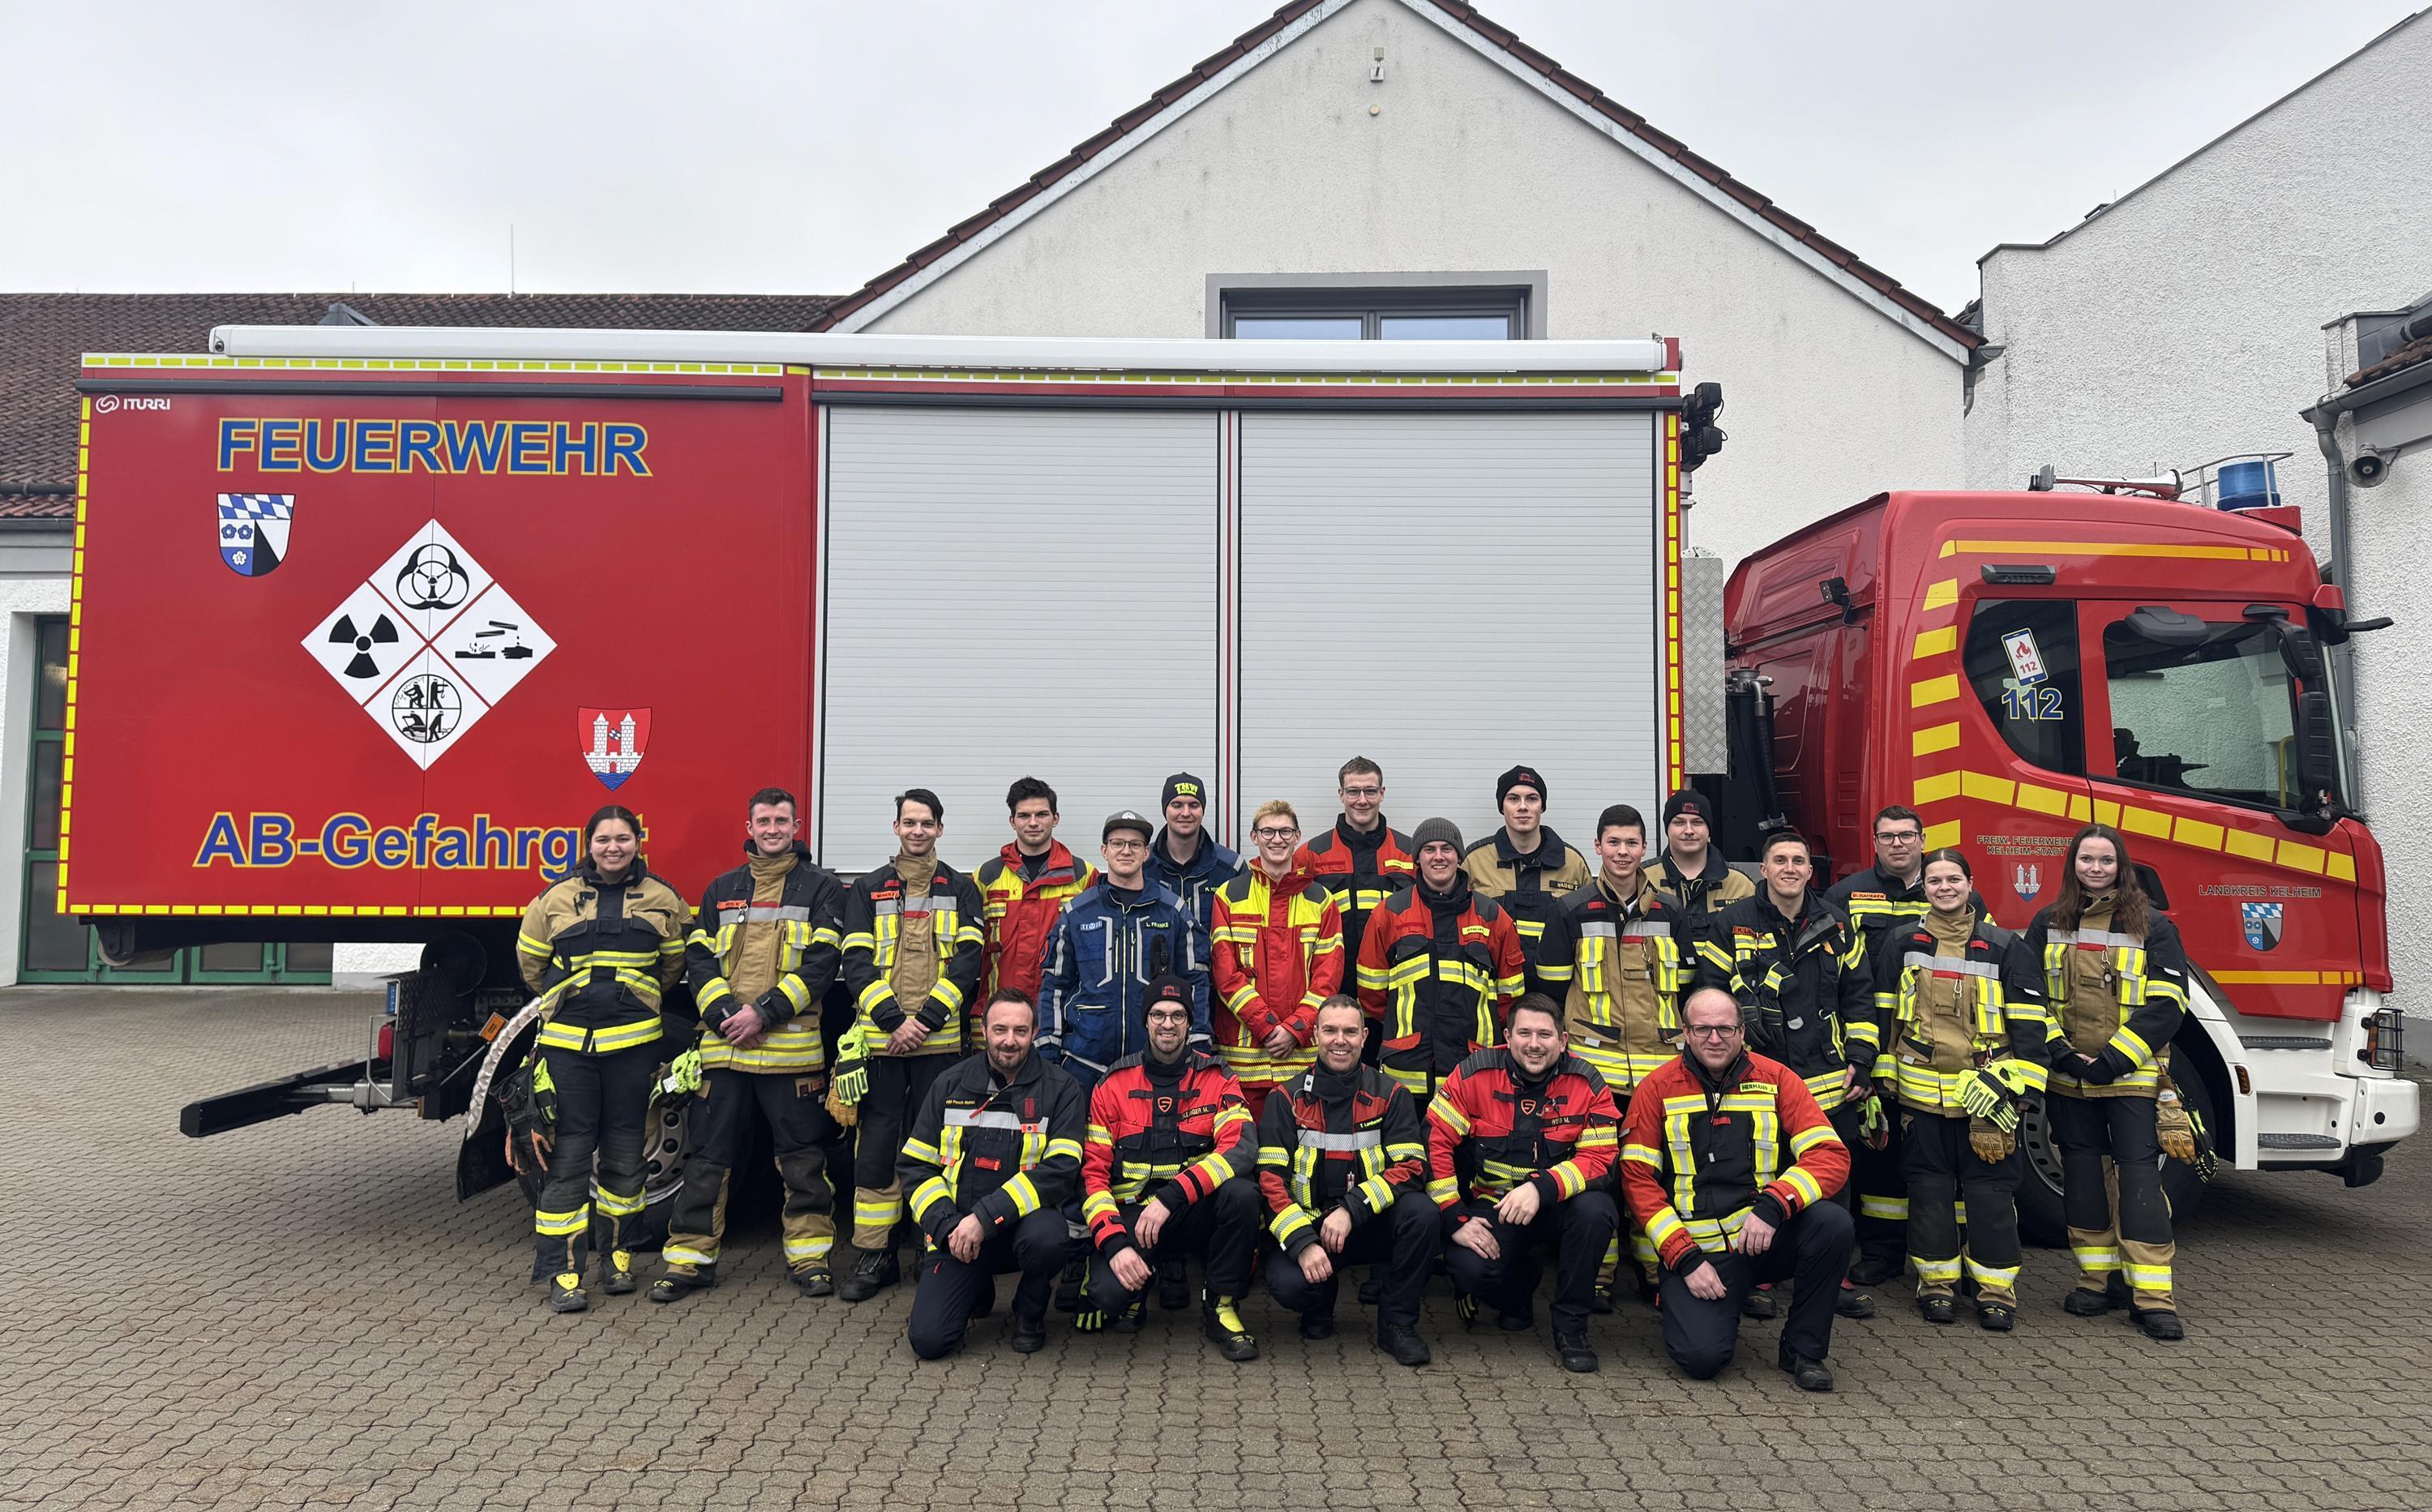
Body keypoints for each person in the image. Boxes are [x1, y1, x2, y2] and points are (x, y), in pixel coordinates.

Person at [657, 787, 846, 1303]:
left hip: (789, 1054)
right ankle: (689, 1261)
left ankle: (810, 1259)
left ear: (797, 825)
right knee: (708, 1159)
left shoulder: (822, 889)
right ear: (750, 825)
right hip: (727, 1050)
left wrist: (762, 1013)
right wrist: (725, 1017)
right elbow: (699, 962)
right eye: (763, 820)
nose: (772, 829)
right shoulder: (722, 889)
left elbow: (824, 965)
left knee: (803, 1159)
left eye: (781, 820)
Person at [1533, 803, 1723, 1301]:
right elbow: (1551, 997)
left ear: (1645, 849)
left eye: (1631, 843)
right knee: (1599, 1170)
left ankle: (1656, 1264)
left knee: (1658, 1167)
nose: (1622, 852)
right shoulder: (1569, 910)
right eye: (1613, 843)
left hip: (1661, 1070)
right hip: (1594, 1072)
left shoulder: (1671, 912)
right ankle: (1599, 1271)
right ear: (1597, 847)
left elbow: (1686, 991)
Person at [1622, 987, 1854, 1390]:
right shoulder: (1656, 1088)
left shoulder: (1778, 1079)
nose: (1715, 1039)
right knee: (1701, 1360)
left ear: (1742, 1032)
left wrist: (1774, 1205)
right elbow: (1637, 1180)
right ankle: (1682, 1301)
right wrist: (1684, 1259)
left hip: (1761, 1236)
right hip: (1700, 1254)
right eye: (1703, 1029)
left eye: (1726, 1029)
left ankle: (1804, 1350)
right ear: (1686, 1033)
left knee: (1832, 1224)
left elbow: (1830, 1155)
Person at [511, 804, 690, 1311]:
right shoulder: (554, 899)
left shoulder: (663, 898)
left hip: (634, 1049)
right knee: (568, 1161)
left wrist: (636, 1000)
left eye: (624, 839)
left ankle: (618, 1259)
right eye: (604, 839)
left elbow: (674, 964)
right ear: (588, 843)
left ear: (639, 841)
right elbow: (532, 964)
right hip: (570, 1050)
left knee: (627, 1159)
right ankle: (564, 1273)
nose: (614, 848)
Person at [2018, 824, 2192, 1341]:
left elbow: (2168, 1005)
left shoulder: (2154, 927)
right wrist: (2061, 1054)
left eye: (2106, 861)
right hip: (2070, 1078)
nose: (2096, 869)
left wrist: (2113, 1060)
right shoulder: (2047, 923)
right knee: (2084, 1179)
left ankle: (2153, 1297)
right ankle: (2097, 1280)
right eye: (2087, 860)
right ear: (2073, 865)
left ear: (2122, 866)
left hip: (2132, 1076)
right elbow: (2027, 999)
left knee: (2139, 1180)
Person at [1873, 847, 2051, 1330]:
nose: (1944, 887)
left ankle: (1996, 1290)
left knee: (1991, 1195)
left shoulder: (2006, 947)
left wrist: (2006, 1089)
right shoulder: (1901, 942)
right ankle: (1936, 1286)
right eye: (1934, 881)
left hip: (1987, 1102)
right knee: (1928, 1195)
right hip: (1920, 1099)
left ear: (1970, 884)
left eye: (1954, 879)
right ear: (1923, 888)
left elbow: (2033, 1035)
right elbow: (1884, 1018)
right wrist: (1882, 1085)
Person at [1720, 828, 1882, 1321]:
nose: (1789, 868)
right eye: (1780, 860)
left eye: (1799, 860)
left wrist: (1862, 1056)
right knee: (1755, 1171)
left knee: (1831, 1176)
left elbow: (1859, 994)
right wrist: (1742, 1024)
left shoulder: (1835, 923)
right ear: (1762, 870)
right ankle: (1757, 1275)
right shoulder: (1734, 921)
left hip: (1828, 1077)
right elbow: (1710, 988)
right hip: (1757, 1074)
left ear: (1811, 872)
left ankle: (1829, 1279)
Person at [836, 788, 987, 1304]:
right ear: (896, 827)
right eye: (909, 822)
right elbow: (855, 962)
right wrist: (892, 1021)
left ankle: (932, 1242)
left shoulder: (964, 889)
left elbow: (969, 963)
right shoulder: (867, 889)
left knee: (941, 1152)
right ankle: (875, 1254)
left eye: (927, 823)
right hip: (881, 1047)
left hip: (939, 1047)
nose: (918, 831)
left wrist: (921, 1022)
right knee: (875, 1148)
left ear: (940, 829)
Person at [1427, 994, 1621, 1373]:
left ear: (1563, 1041)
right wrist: (1454, 1217)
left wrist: (1541, 1188)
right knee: (1470, 1268)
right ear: (1508, 1035)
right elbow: (1434, 1140)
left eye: (1545, 1035)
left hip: (1557, 1206)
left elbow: (1600, 1161)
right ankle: (1516, 1289)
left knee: (1598, 1211)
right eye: (1525, 1033)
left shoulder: (1587, 1081)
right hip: (1494, 1206)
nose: (1534, 1044)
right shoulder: (1473, 1074)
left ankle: (1571, 1329)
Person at [1074, 975, 1265, 1360]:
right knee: (1106, 1296)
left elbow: (1240, 1150)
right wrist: (1113, 1243)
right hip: (1133, 1218)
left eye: (1178, 1016)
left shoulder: (1218, 1076)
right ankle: (1135, 1286)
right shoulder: (1111, 1084)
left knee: (1243, 1194)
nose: (1168, 1024)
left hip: (1190, 1214)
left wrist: (1172, 1196)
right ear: (1145, 1021)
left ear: (1190, 1023)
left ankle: (1222, 1306)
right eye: (1158, 1014)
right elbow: (1092, 1175)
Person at [899, 990, 1087, 1358]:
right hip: (958, 1232)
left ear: (1034, 1032)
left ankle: (1029, 1312)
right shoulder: (950, 1085)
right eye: (1000, 1029)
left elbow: (1060, 1171)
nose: (1009, 1041)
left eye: (1020, 1031)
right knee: (929, 1342)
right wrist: (947, 1227)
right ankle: (976, 1285)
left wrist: (984, 1219)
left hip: (1022, 1231)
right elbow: (915, 1167)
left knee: (1051, 1238)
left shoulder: (1061, 1089)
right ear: (984, 1030)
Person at [1260, 996, 1439, 1367]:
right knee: (1288, 1286)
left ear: (1364, 1037)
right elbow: (1270, 1183)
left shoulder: (1391, 1094)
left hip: (1365, 1223)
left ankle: (1397, 1324)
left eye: (1349, 1031)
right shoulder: (1286, 1099)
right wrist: (1303, 1244)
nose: (1339, 1040)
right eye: (1330, 1030)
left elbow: (1411, 1167)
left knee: (1421, 1214)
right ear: (1315, 1035)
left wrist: (1351, 1209)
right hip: (1310, 1227)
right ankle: (1319, 1301)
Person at [1826, 804, 1932, 1288]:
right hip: (1870, 1034)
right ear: (1874, 842)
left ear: (1922, 839)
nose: (1897, 844)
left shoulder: (1945, 886)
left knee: (1932, 1151)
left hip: (1930, 1042)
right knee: (1879, 1151)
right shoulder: (1846, 895)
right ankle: (1882, 1253)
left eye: (1906, 835)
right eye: (1887, 836)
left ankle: (1944, 1255)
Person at [1038, 810, 1212, 1092]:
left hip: (1155, 1062)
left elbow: (1195, 982)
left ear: (1146, 854)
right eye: (1118, 843)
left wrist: (1199, 1045)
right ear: (1104, 851)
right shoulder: (1077, 913)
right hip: (1083, 1063)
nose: (1126, 851)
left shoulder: (1174, 911)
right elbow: (1054, 988)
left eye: (1135, 844)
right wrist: (1047, 1051)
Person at [1355, 816, 1526, 1103]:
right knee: (1406, 1146)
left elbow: (1511, 997)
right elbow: (1371, 993)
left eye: (1447, 849)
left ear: (1459, 856)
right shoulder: (1389, 914)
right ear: (1417, 859)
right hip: (1408, 1068)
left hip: (1474, 1065)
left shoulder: (1493, 916)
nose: (1438, 857)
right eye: (1429, 849)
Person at [1210, 799, 1344, 1116]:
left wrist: (1294, 1029)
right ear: (1254, 837)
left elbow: (1328, 978)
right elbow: (1226, 975)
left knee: (1302, 1153)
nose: (1277, 839)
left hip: (1304, 1057)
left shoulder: (1321, 901)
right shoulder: (1229, 896)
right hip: (1245, 1061)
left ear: (1297, 837)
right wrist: (1269, 1029)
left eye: (1285, 831)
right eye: (1268, 831)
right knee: (1244, 1152)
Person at [976, 777, 1098, 1030]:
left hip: (1061, 1018)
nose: (1033, 823)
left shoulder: (1083, 876)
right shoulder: (985, 877)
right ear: (1012, 821)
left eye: (1042, 814)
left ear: (1055, 818)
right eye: (1024, 816)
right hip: (998, 1017)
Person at [1461, 765, 1591, 977]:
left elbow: (1589, 931)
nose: (1523, 807)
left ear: (1542, 806)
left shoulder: (1572, 863)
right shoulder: (1475, 862)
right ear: (1502, 807)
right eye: (1513, 799)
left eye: (1532, 799)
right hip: (1495, 990)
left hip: (1555, 991)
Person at [1295, 756, 1415, 983]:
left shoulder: (1409, 852)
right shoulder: (1311, 855)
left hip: (1396, 984)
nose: (1362, 800)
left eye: (1370, 791)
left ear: (1382, 793)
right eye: (1353, 792)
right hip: (1332, 983)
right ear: (1341, 794)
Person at [1654, 788, 1755, 979]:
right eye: (1679, 822)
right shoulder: (1644, 880)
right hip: (1662, 1001)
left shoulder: (1739, 883)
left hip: (1721, 997)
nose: (1689, 830)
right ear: (1667, 828)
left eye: (1698, 822)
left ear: (1709, 829)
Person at [1147, 773, 1241, 936]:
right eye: (1177, 805)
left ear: (1202, 810)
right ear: (1165, 810)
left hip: (1214, 962)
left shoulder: (1231, 867)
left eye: (1194, 805)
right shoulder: (1142, 865)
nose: (1185, 813)